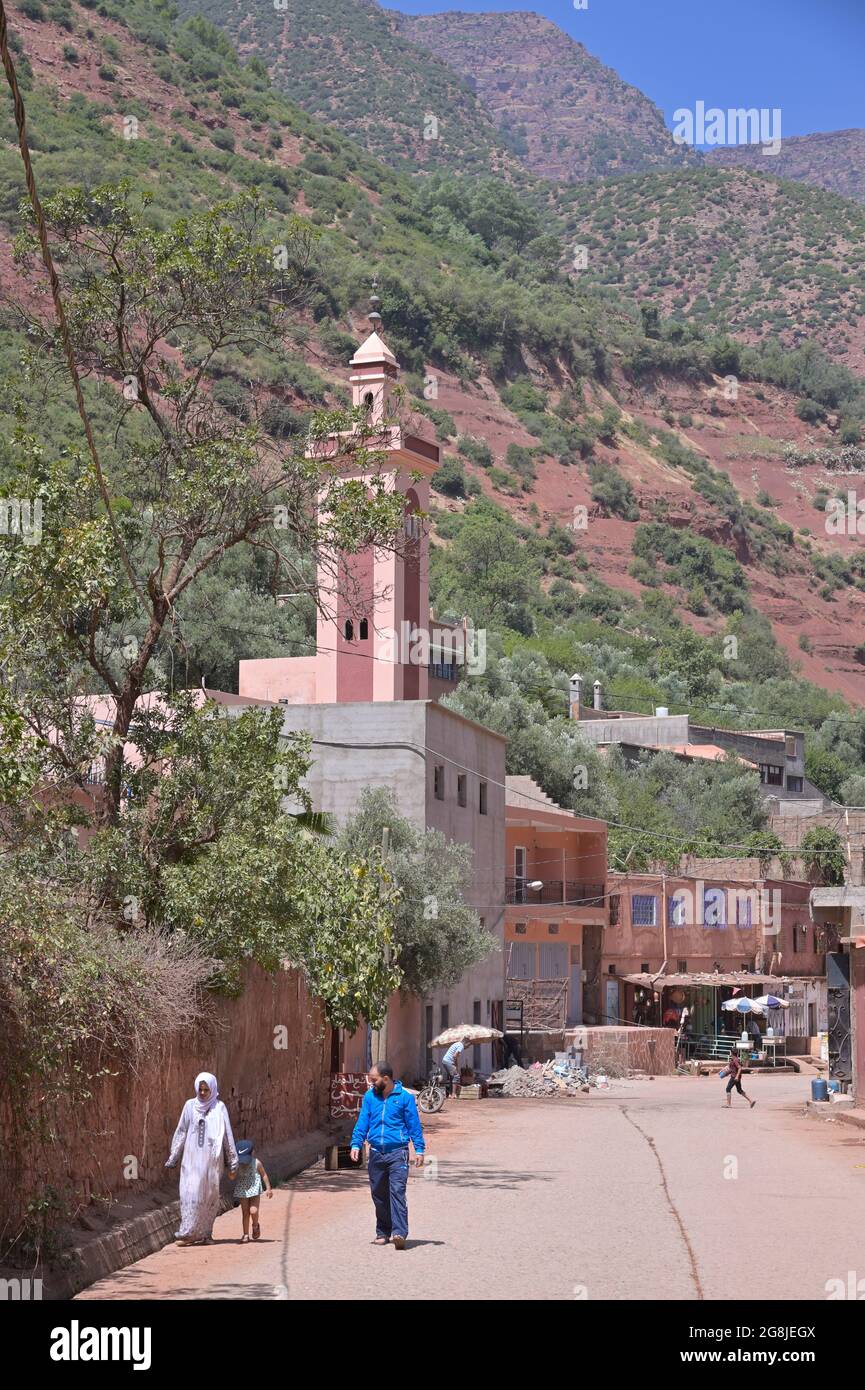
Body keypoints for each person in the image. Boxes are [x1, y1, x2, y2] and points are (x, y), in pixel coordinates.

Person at [350, 1061, 425, 1249]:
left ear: (386, 1079)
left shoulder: (405, 1098)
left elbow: (413, 1125)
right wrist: (356, 1144)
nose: (371, 1084)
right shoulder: (369, 1097)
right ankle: (382, 1232)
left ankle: (399, 1232)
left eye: (373, 1080)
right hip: (376, 1153)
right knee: (379, 1195)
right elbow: (362, 1122)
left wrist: (419, 1149)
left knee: (397, 1192)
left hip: (397, 1153)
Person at [165, 1072, 238, 1246]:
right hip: (190, 1159)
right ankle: (188, 1232)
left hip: (211, 1161)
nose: (203, 1093)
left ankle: (205, 1233)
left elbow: (227, 1134)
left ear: (212, 1089)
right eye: (201, 1089)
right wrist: (174, 1155)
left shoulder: (219, 1107)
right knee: (189, 1191)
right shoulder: (190, 1106)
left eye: (206, 1090)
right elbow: (182, 1130)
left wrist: (233, 1161)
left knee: (208, 1194)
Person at [234, 1140, 272, 1243]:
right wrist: (231, 1173)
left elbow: (263, 1175)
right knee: (245, 1212)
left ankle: (255, 1225)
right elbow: (232, 1175)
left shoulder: (257, 1163)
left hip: (254, 1190)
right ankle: (245, 1234)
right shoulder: (238, 1164)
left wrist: (268, 1188)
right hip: (242, 1190)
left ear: (253, 1153)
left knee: (253, 1211)